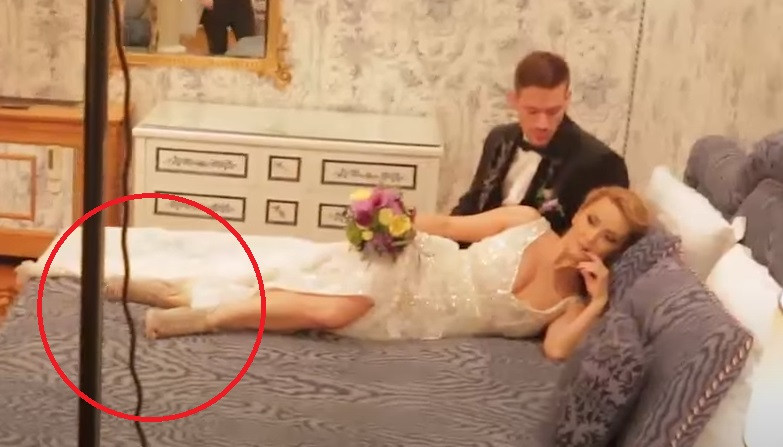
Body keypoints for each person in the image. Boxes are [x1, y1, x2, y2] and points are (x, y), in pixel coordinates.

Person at [104, 186, 650, 361]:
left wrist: (600, 302)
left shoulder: (571, 304)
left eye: (609, 238)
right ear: (581, 210)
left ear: (616, 251)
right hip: (424, 262)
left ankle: (183, 293)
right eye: (592, 222)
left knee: (323, 296)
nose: (592, 239)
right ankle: (205, 316)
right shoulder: (527, 221)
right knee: (340, 304)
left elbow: (556, 351)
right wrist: (391, 219)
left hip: (424, 318)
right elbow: (450, 225)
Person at [451, 51, 630, 246]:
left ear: (567, 99)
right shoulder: (499, 138)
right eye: (532, 111)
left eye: (553, 111)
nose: (542, 124)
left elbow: (603, 242)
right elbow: (473, 203)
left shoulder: (601, 163)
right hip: (475, 252)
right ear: (514, 100)